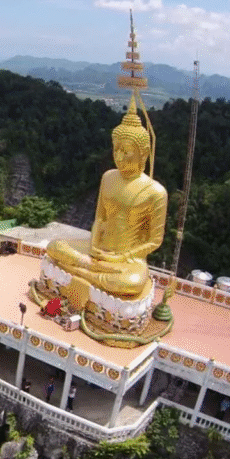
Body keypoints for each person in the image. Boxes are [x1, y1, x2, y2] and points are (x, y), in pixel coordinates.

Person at [42, 95, 168, 310]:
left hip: (126, 260)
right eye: (116, 149)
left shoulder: (155, 192)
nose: (119, 156)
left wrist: (124, 255)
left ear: (143, 153)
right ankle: (88, 269)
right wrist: (93, 247)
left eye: (126, 151)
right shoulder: (108, 177)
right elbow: (100, 218)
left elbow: (154, 241)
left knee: (132, 283)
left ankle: (82, 273)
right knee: (54, 247)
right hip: (97, 251)